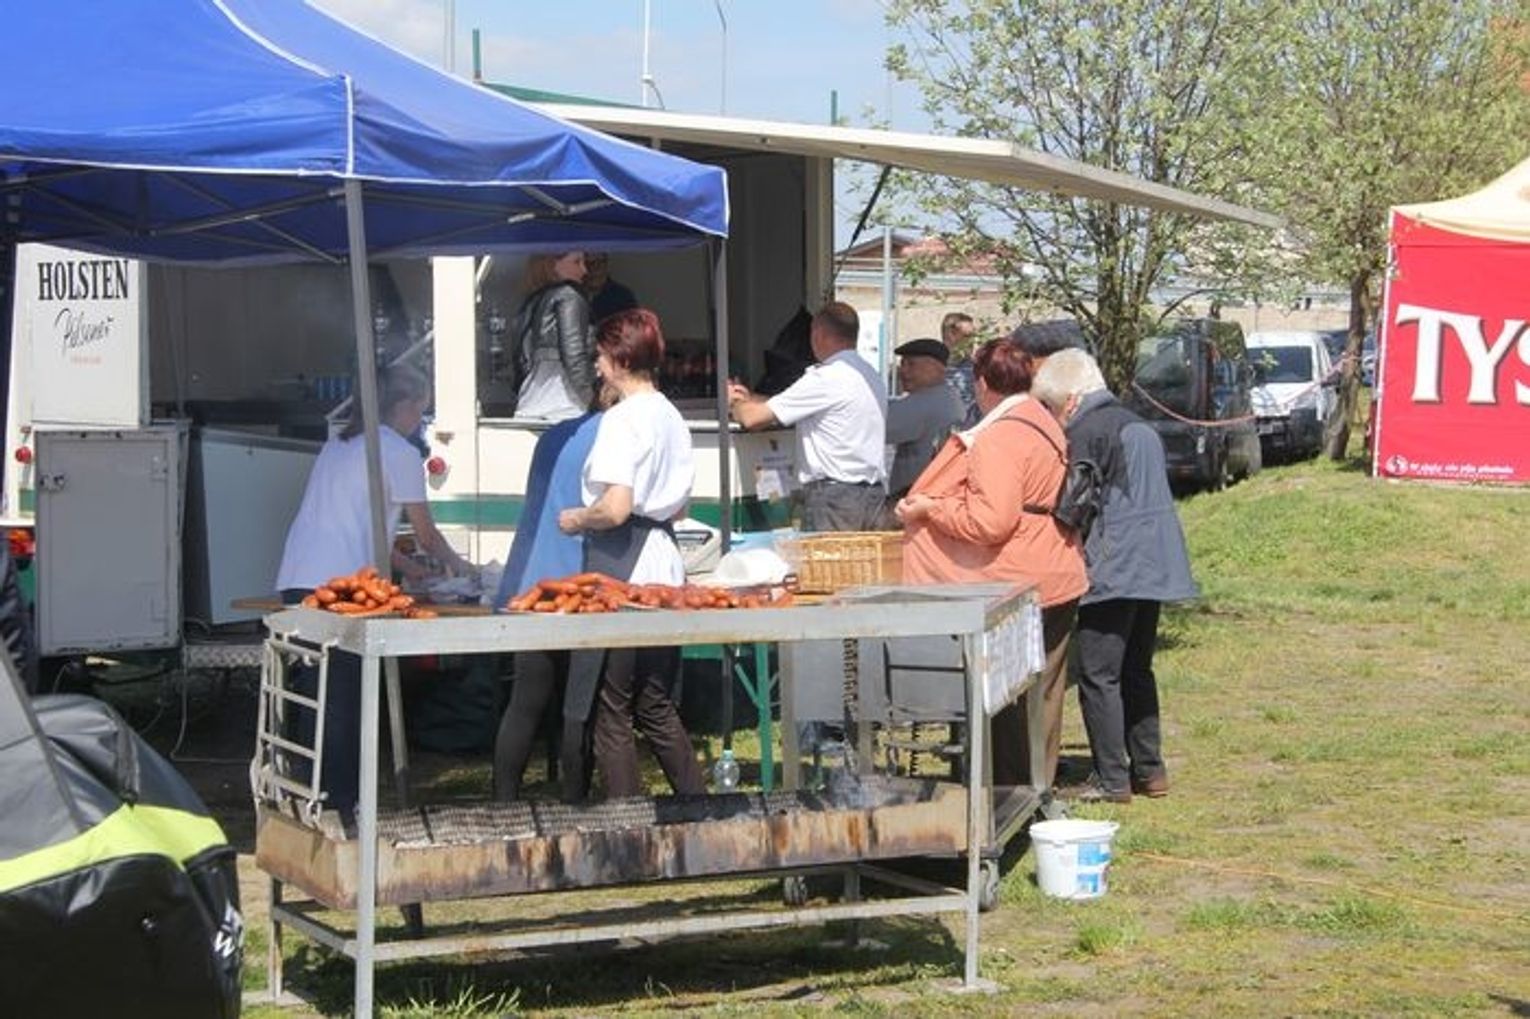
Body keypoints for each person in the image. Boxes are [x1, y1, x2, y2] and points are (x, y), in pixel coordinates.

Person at [275, 366, 473, 812]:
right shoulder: (398, 451)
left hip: (299, 577)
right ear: (404, 407)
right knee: (343, 698)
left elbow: (357, 524)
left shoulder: (339, 444)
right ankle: (340, 805)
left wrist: (408, 569)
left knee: (313, 694)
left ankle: (309, 797)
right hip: (343, 585)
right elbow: (427, 535)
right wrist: (465, 568)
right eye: (420, 411)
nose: (420, 422)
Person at [895, 340, 1086, 789]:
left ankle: (1009, 797)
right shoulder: (1043, 419)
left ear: (981, 383)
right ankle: (1036, 789)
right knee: (1044, 694)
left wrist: (931, 509)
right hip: (1056, 568)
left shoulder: (999, 437)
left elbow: (991, 522)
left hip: (1019, 579)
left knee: (1007, 699)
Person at [1031, 348, 1198, 803]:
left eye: (1051, 407)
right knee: (1136, 669)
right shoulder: (1136, 421)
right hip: (1154, 562)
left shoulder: (1088, 431)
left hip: (1114, 565)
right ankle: (1150, 771)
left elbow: (1073, 507)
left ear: (1070, 400)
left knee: (1099, 675)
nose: (1054, 418)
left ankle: (1111, 779)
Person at [557, 308, 706, 799]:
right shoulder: (672, 415)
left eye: (601, 355)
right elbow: (680, 507)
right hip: (664, 561)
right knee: (655, 702)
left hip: (623, 566)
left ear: (620, 359)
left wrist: (578, 518)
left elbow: (616, 508)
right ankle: (700, 808)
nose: (596, 365)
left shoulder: (622, 420)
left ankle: (629, 821)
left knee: (611, 706)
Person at [491, 386, 613, 803]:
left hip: (532, 581)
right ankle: (574, 801)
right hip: (579, 584)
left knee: (526, 700)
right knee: (578, 707)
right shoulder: (613, 435)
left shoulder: (555, 436)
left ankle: (503, 801)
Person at [727, 302, 889, 532]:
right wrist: (751, 397)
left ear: (818, 334)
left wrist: (734, 401)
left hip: (836, 499)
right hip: (871, 495)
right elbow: (794, 402)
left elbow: (752, 419)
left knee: (828, 558)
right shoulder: (869, 375)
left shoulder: (825, 378)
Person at [511, 251, 596, 421]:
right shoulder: (569, 296)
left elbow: (520, 360)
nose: (584, 270)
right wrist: (594, 399)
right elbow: (574, 354)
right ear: (552, 264)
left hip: (530, 405)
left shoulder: (531, 302)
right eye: (576, 262)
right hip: (565, 408)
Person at [885, 337, 964, 501]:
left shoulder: (925, 402)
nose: (903, 371)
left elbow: (871, 428)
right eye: (902, 364)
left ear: (935, 368)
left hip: (916, 497)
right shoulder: (950, 396)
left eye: (911, 364)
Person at [941, 311, 980, 427]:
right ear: (950, 337)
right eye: (967, 336)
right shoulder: (931, 371)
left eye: (973, 336)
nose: (972, 341)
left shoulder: (979, 370)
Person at [582, 252, 639, 322]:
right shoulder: (572, 294)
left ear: (607, 265)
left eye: (600, 262)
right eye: (589, 263)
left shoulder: (623, 296)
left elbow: (632, 325)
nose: (594, 269)